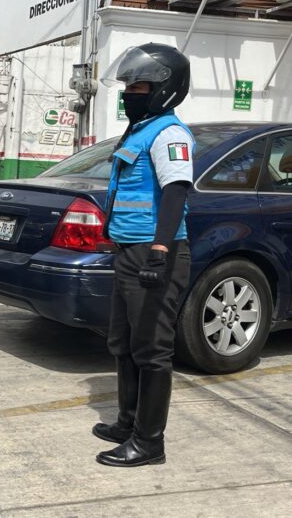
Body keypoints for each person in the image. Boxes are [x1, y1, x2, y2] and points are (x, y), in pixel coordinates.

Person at [93, 43, 194, 467]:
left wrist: (159, 249)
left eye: (138, 85)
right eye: (128, 85)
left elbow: (175, 192)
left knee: (152, 351)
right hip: (128, 252)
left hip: (158, 256)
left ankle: (149, 443)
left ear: (164, 89)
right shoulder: (140, 129)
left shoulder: (170, 133)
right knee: (123, 342)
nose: (128, 92)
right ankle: (127, 421)